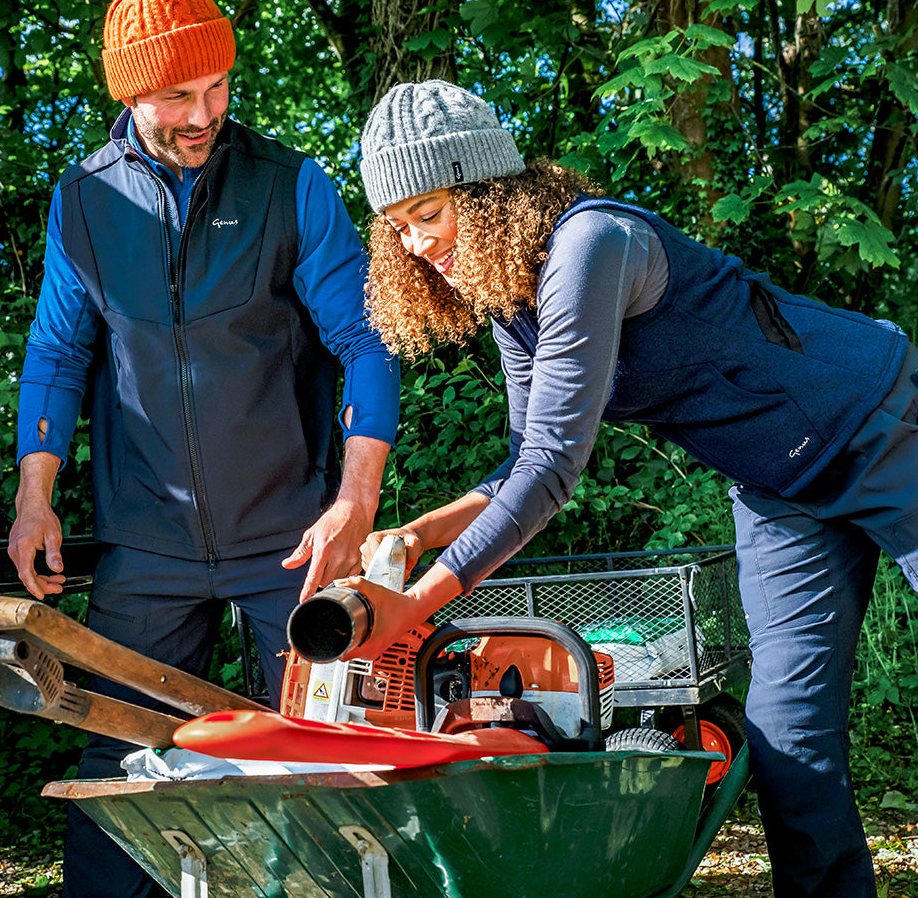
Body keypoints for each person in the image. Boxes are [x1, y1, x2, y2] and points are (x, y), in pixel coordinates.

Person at [339, 78, 918, 898]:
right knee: (789, 742)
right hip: (778, 488)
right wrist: (421, 531)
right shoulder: (514, 302)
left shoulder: (594, 244)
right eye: (398, 229)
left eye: (428, 214)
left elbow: (554, 467)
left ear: (488, 190)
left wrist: (415, 603)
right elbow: (520, 459)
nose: (417, 244)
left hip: (876, 419)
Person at [6, 0, 399, 898]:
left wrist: (355, 500)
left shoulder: (292, 185)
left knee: (330, 770)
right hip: (146, 543)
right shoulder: (82, 205)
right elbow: (57, 354)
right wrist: (33, 500)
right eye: (177, 94)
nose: (203, 113)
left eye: (218, 86)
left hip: (292, 538)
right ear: (127, 91)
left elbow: (365, 339)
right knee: (116, 787)